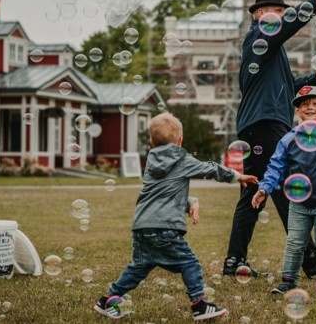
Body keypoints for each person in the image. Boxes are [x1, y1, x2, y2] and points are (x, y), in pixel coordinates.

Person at [224, 0, 316, 279]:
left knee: (256, 189)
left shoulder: (272, 50)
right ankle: (312, 260)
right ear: (258, 15)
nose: (281, 15)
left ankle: (233, 261)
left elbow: (287, 87)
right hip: (264, 124)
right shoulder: (258, 39)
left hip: (262, 124)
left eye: (283, 10)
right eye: (275, 11)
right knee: (283, 186)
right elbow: (289, 25)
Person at [93, 112, 258, 321]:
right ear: (180, 141)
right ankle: (200, 305)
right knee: (190, 264)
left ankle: (106, 300)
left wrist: (190, 201)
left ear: (151, 142)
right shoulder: (181, 158)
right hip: (164, 228)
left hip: (141, 227)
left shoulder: (151, 162)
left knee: (139, 267)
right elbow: (210, 168)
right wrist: (237, 175)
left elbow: (162, 194)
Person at [251, 86, 316, 298]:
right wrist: (264, 188)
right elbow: (276, 166)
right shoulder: (288, 139)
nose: (309, 107)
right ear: (297, 112)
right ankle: (288, 281)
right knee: (295, 243)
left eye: (315, 104)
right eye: (304, 104)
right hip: (298, 203)